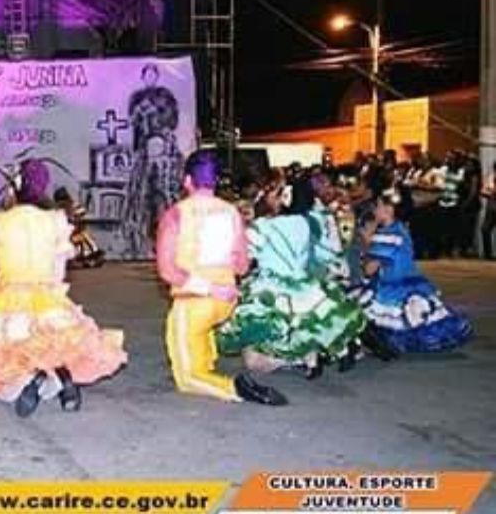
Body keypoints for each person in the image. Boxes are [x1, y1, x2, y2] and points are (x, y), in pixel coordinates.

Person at [0, 172, 126, 417]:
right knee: (51, 345)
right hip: (48, 302)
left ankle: (32, 378)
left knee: (2, 378)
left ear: (16, 189)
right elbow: (57, 276)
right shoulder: (55, 221)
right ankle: (59, 377)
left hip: (8, 302)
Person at [155, 150, 285, 406]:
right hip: (226, 301)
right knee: (199, 335)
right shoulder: (231, 213)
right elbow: (242, 266)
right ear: (215, 182)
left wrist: (209, 287)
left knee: (187, 377)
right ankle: (204, 362)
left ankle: (236, 388)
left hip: (195, 300)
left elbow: (167, 271)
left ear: (187, 180)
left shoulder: (176, 214)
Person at [217, 178, 367, 377]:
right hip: (303, 287)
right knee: (301, 330)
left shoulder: (265, 226)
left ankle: (300, 359)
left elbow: (242, 257)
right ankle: (311, 357)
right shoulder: (306, 223)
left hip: (270, 289)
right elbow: (326, 253)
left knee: (255, 356)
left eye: (277, 194)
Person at [358, 194, 473, 354]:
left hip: (393, 286)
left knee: (381, 317)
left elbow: (369, 269)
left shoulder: (386, 235)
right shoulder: (401, 228)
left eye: (376, 207)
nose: (373, 211)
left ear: (388, 209)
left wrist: (366, 243)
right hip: (411, 281)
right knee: (413, 321)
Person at [54, 187, 105, 269]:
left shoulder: (75, 207)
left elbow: (81, 221)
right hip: (62, 238)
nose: (62, 204)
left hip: (74, 236)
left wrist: (73, 216)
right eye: (60, 203)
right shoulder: (56, 211)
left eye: (64, 202)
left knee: (84, 235)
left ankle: (92, 255)